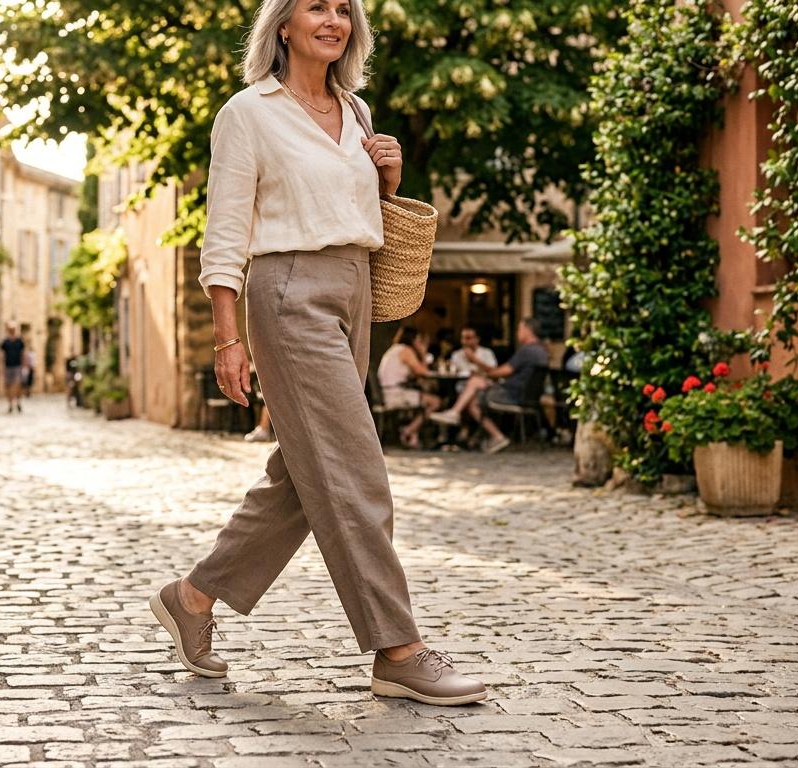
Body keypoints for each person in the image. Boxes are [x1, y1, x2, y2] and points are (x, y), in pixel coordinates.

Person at [147, 0, 486, 708]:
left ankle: (192, 598)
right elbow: (226, 233)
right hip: (288, 290)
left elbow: (356, 214)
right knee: (355, 468)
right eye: (316, 7)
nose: (332, 19)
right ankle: (398, 648)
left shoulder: (357, 113)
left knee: (304, 473)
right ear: (284, 25)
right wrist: (227, 338)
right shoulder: (249, 113)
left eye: (343, 9)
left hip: (355, 288)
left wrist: (386, 182)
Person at [429, 318, 549, 454]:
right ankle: (486, 434)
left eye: (519, 329)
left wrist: (478, 364)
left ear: (528, 330)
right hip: (526, 396)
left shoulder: (526, 351)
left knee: (474, 388)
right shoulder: (541, 351)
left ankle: (459, 416)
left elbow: (500, 372)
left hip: (511, 394)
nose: (517, 333)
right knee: (473, 394)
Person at [376, 326, 443, 448]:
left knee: (425, 395)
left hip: (387, 392)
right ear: (414, 339)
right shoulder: (406, 351)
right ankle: (409, 431)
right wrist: (423, 353)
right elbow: (422, 371)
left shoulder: (394, 349)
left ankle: (412, 434)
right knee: (435, 402)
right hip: (396, 394)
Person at [0, 322, 26, 413]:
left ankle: (18, 401)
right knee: (8, 385)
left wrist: (24, 365)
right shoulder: (5, 342)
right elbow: (2, 355)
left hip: (17, 366)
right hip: (8, 366)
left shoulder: (19, 341)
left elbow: (23, 354)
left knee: (18, 384)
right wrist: (1, 366)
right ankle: (10, 404)